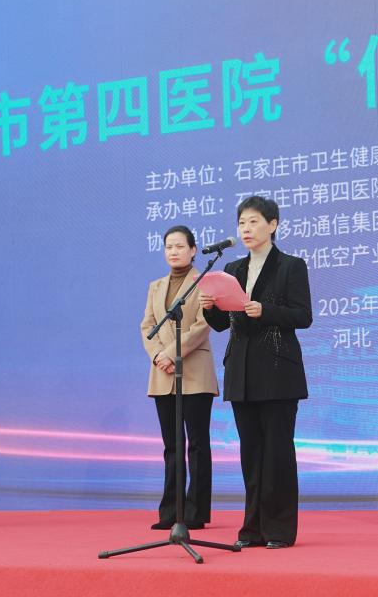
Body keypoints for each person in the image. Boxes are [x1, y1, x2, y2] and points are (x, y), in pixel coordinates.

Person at [199, 196, 312, 549]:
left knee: (277, 452)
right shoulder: (232, 269)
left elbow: (303, 316)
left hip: (278, 371)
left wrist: (266, 310)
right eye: (242, 223)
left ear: (273, 225)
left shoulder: (291, 266)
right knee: (251, 454)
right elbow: (222, 324)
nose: (246, 229)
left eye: (253, 222)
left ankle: (278, 529)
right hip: (242, 372)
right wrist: (209, 308)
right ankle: (252, 528)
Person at [141, 225, 219, 531]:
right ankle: (171, 511)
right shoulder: (155, 286)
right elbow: (147, 325)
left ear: (193, 250)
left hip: (195, 372)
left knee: (197, 444)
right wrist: (158, 356)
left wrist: (173, 353)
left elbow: (203, 325)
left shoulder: (204, 281)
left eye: (179, 246)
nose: (173, 251)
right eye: (168, 247)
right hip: (163, 373)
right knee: (171, 445)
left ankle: (195, 512)